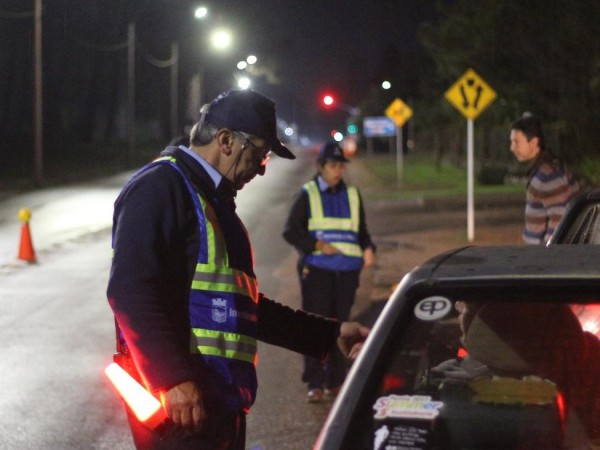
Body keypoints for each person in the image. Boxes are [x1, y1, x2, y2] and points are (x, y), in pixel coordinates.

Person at [106, 89, 369, 450]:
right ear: (226, 140)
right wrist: (171, 379)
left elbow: (241, 309)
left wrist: (327, 335)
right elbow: (130, 290)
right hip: (178, 409)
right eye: (258, 154)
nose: (261, 168)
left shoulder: (215, 203)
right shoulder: (159, 188)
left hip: (218, 399)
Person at [282, 141, 376, 403]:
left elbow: (362, 231)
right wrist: (317, 245)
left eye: (341, 165)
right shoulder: (307, 194)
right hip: (318, 270)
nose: (338, 170)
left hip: (347, 271)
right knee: (315, 325)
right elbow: (290, 231)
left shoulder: (353, 195)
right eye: (333, 165)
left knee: (340, 325)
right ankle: (314, 381)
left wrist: (368, 248)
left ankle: (335, 381)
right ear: (321, 167)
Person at [509, 115, 579, 244]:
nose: (512, 148)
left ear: (534, 142)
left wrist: (547, 255)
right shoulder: (546, 168)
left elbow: (559, 221)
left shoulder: (548, 175)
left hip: (543, 257)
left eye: (516, 141)